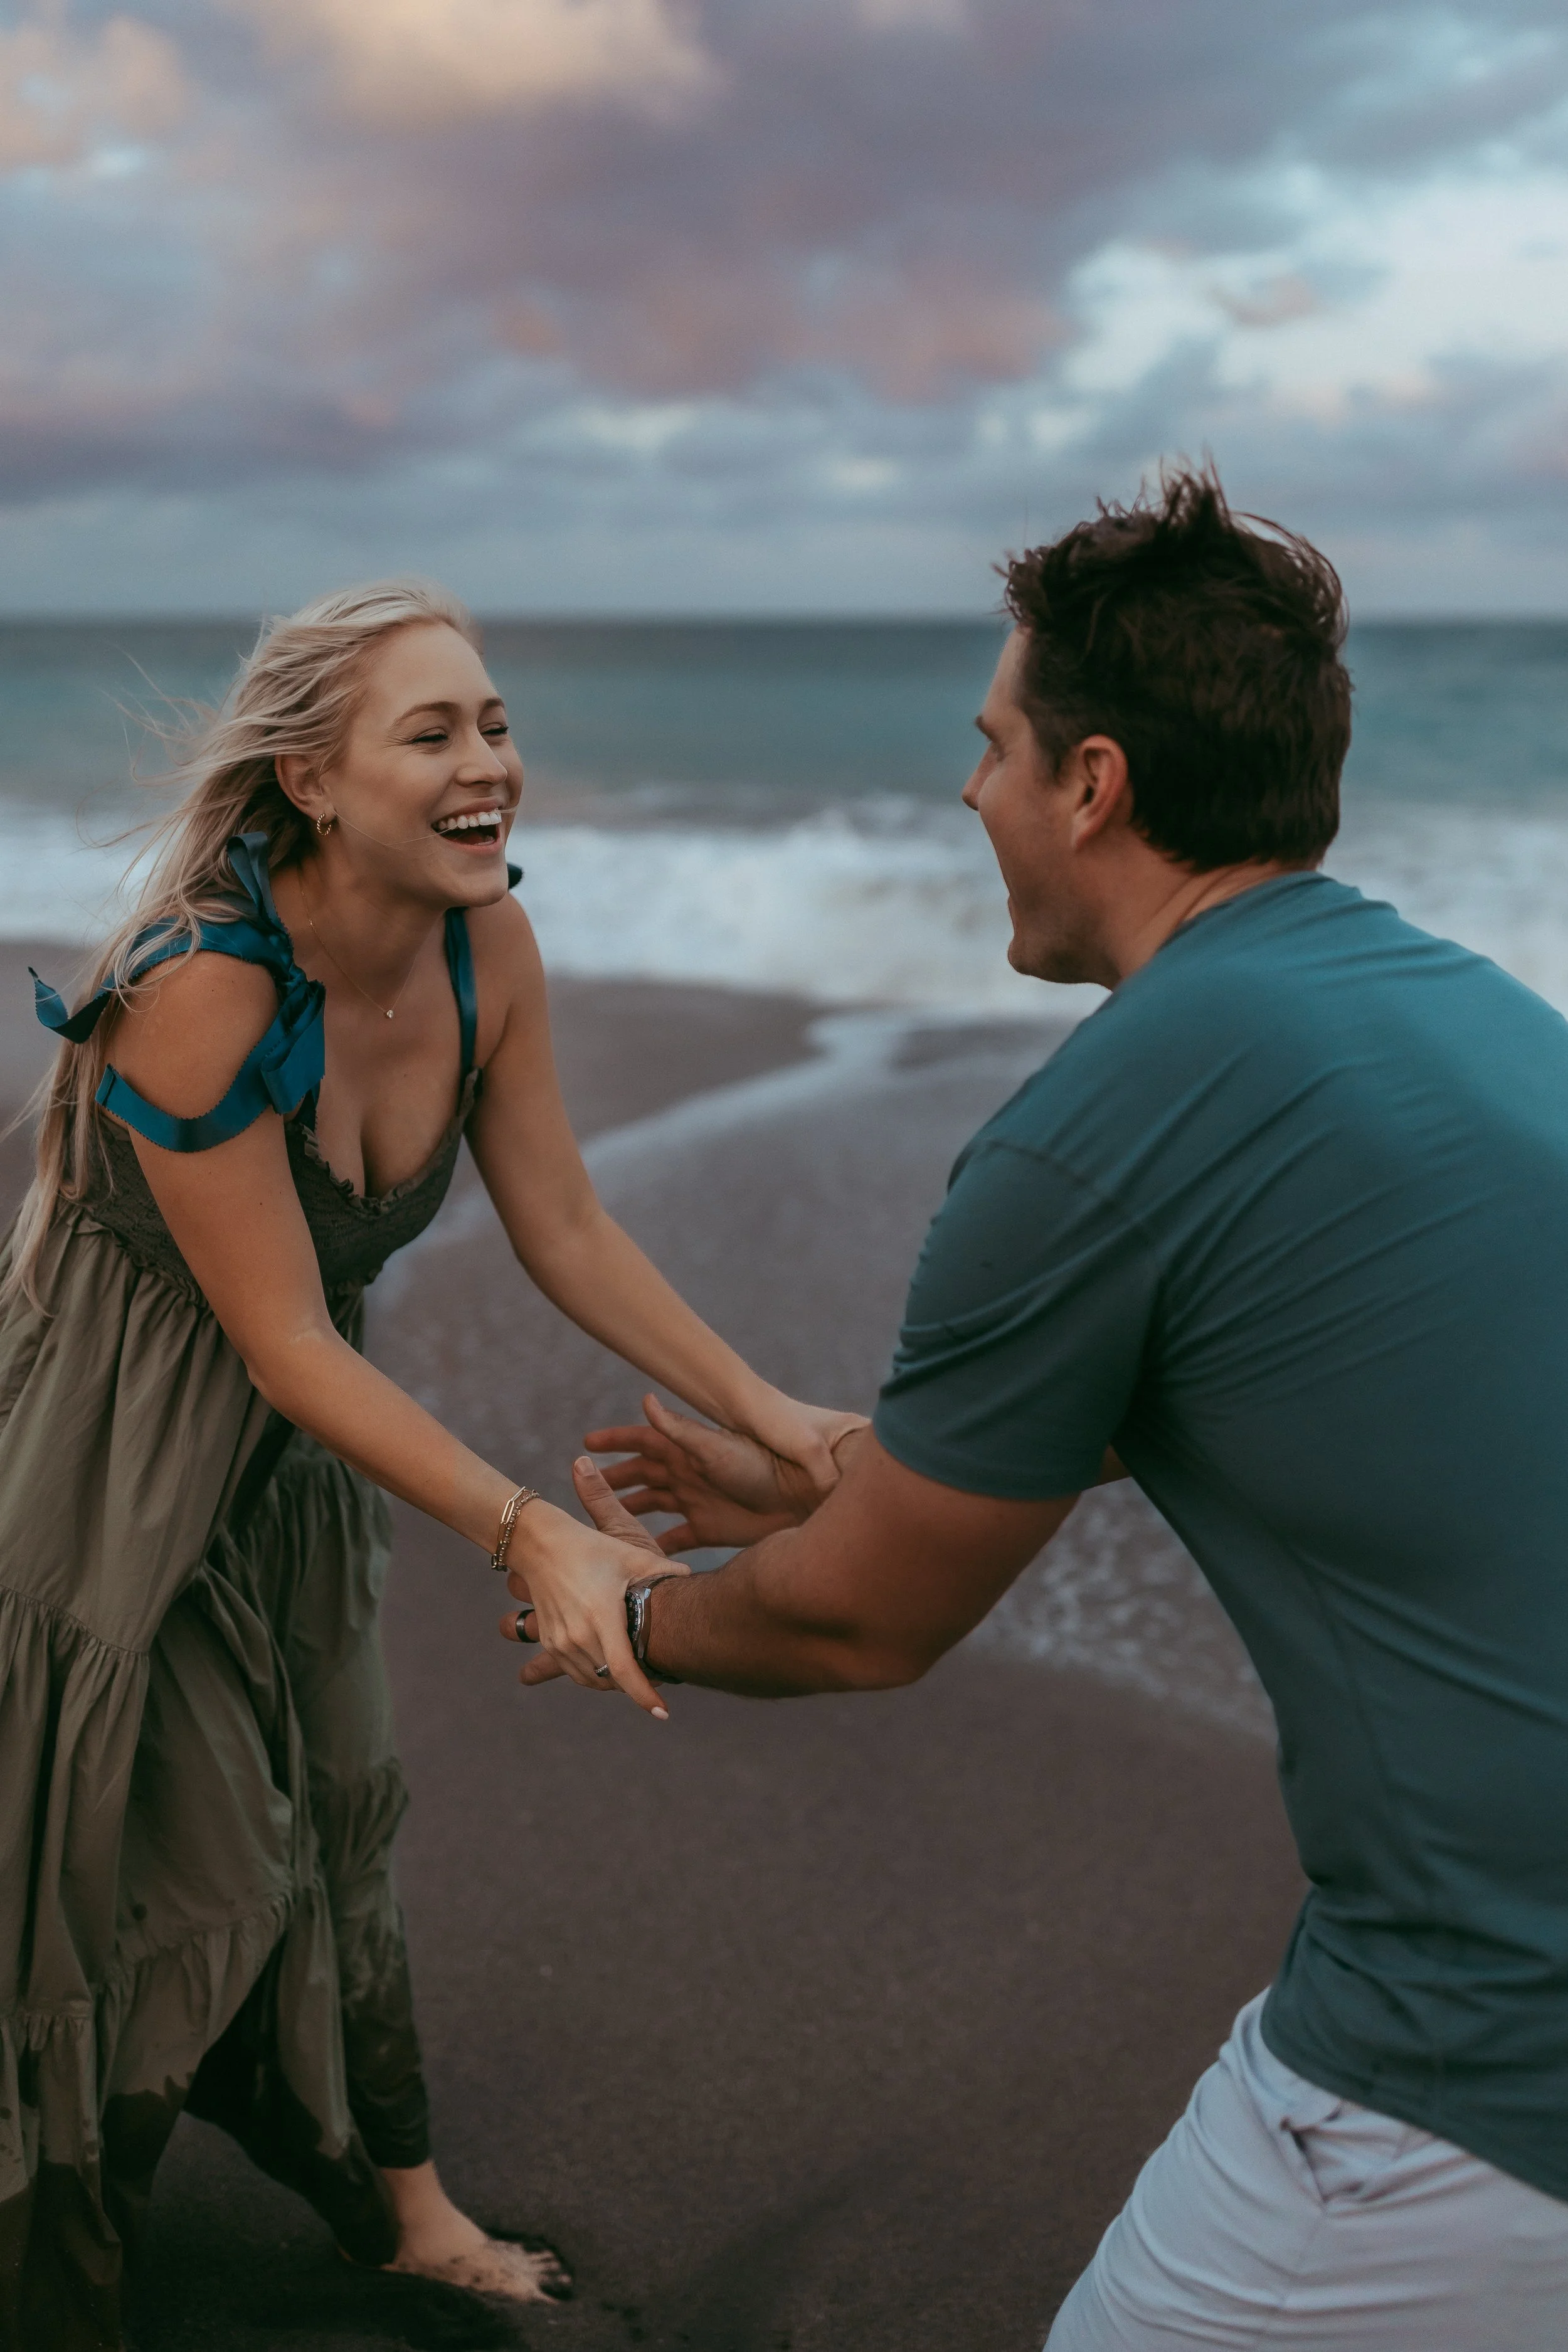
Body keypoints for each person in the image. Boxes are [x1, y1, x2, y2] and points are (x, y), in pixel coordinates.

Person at [505, 472, 1568, 2348]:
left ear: (1089, 783)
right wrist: (821, 1472)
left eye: (989, 746)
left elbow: (861, 1624)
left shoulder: (1102, 1125)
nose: (969, 791)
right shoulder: (1472, 1014)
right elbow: (1160, 1400)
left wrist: (627, 1607)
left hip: (1471, 2050)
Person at [0, 578, 860, 2352]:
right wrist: (528, 1526)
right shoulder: (199, 989)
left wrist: (779, 1416)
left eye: (495, 723)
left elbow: (561, 1220)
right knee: (108, 1848)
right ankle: (61, 2231)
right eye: (433, 732)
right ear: (311, 777)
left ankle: (402, 2205)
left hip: (295, 1446)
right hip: (105, 1444)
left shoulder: (487, 949)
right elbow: (282, 1333)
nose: (491, 766)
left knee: (338, 1801)